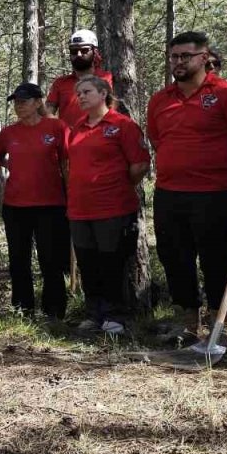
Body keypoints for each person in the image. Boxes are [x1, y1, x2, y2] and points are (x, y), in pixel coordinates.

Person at [146, 31, 227, 346]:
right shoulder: (160, 100)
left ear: (204, 56)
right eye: (173, 56)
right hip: (169, 192)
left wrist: (220, 161)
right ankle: (188, 324)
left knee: (216, 259)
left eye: (185, 56)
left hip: (213, 191)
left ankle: (225, 328)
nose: (178, 62)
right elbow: (157, 140)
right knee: (175, 258)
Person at [66, 77, 150, 335]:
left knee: (112, 263)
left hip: (113, 208)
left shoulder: (122, 125)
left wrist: (115, 185)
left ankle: (117, 316)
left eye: (87, 91)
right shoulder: (77, 128)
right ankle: (94, 314)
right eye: (78, 93)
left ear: (104, 93)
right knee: (88, 264)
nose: (81, 96)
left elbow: (139, 165)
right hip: (80, 209)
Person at [0, 83, 71, 319]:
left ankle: (54, 310)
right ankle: (22, 309)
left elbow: (67, 161)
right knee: (18, 260)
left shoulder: (56, 127)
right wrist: (12, 166)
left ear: (39, 102)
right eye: (16, 102)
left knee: (51, 259)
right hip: (15, 205)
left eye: (24, 101)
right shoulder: (8, 133)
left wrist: (72, 194)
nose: (19, 106)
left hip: (50, 204)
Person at [47, 30, 115, 128]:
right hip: (68, 141)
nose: (78, 54)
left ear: (95, 52)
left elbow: (113, 110)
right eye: (74, 51)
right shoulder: (60, 83)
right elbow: (48, 112)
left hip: (100, 137)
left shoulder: (106, 78)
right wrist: (63, 129)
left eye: (84, 50)